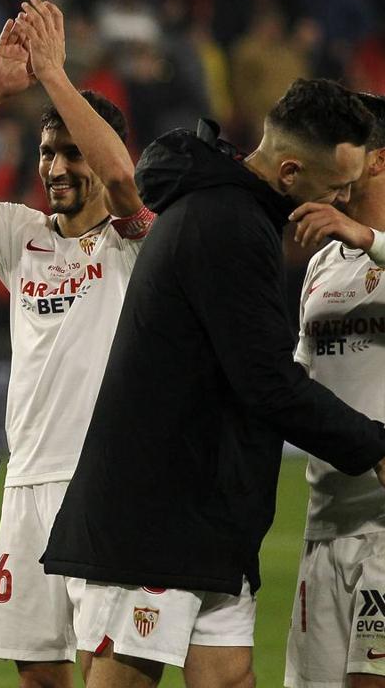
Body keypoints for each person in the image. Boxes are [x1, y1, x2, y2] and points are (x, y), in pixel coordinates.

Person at [41, 78, 385, 688]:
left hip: (211, 516)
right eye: (335, 184)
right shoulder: (228, 225)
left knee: (228, 678)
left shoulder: (227, 209)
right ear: (288, 172)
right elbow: (268, 384)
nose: (343, 197)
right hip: (158, 513)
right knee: (124, 676)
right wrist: (376, 446)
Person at [0, 0, 153, 688]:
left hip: (107, 484)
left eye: (71, 152)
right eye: (47, 153)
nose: (56, 167)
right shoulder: (25, 236)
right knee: (40, 678)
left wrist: (54, 75)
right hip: (29, 485)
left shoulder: (136, 242)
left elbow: (121, 182)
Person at [284, 92, 385, 688]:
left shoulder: (363, 244)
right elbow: (301, 382)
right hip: (324, 523)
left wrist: (366, 235)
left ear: (375, 158)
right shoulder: (323, 266)